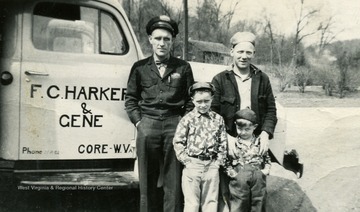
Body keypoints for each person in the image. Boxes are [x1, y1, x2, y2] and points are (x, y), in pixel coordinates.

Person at [125, 15, 194, 212]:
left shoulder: (183, 67)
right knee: (147, 180)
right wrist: (140, 124)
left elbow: (190, 100)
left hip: (175, 126)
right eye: (158, 38)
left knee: (173, 180)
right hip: (148, 125)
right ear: (150, 39)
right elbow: (130, 99)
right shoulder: (139, 68)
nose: (162, 43)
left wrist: (182, 124)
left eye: (166, 39)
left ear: (172, 41)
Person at [211, 31, 277, 211]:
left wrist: (265, 133)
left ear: (254, 54)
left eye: (248, 52)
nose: (244, 56)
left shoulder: (262, 78)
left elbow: (271, 110)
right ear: (231, 52)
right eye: (240, 51)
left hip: (254, 143)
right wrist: (226, 137)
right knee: (232, 192)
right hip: (231, 142)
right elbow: (213, 113)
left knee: (257, 195)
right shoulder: (220, 79)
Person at [173, 82, 227, 212]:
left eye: (206, 101)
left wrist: (218, 163)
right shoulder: (187, 119)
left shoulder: (218, 119)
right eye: (199, 101)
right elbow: (178, 142)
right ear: (193, 100)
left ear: (212, 99)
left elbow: (222, 142)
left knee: (210, 202)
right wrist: (187, 161)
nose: (203, 105)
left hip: (211, 166)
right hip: (193, 165)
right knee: (192, 203)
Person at [224, 108, 271, 212]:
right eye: (240, 129)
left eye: (247, 129)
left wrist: (265, 171)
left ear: (254, 127)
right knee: (239, 203)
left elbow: (266, 158)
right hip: (240, 177)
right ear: (236, 126)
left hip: (258, 175)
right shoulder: (233, 143)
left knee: (259, 201)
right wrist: (232, 173)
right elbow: (226, 160)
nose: (243, 132)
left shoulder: (260, 142)